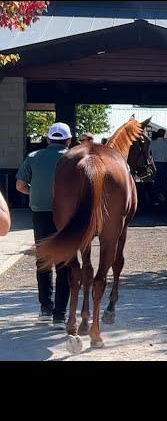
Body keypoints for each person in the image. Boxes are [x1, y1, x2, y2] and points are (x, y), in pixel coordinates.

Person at [15, 122, 72, 328]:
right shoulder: (73, 157)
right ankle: (60, 315)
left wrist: (35, 192)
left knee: (43, 262)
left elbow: (20, 185)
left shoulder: (33, 157)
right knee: (64, 264)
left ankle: (45, 309)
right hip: (66, 216)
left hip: (40, 215)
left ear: (48, 140)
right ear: (68, 140)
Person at [150, 129, 167, 205]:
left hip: (154, 163)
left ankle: (155, 197)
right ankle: (162, 196)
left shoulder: (152, 143)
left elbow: (150, 154)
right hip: (163, 163)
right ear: (164, 134)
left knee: (155, 181)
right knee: (163, 180)